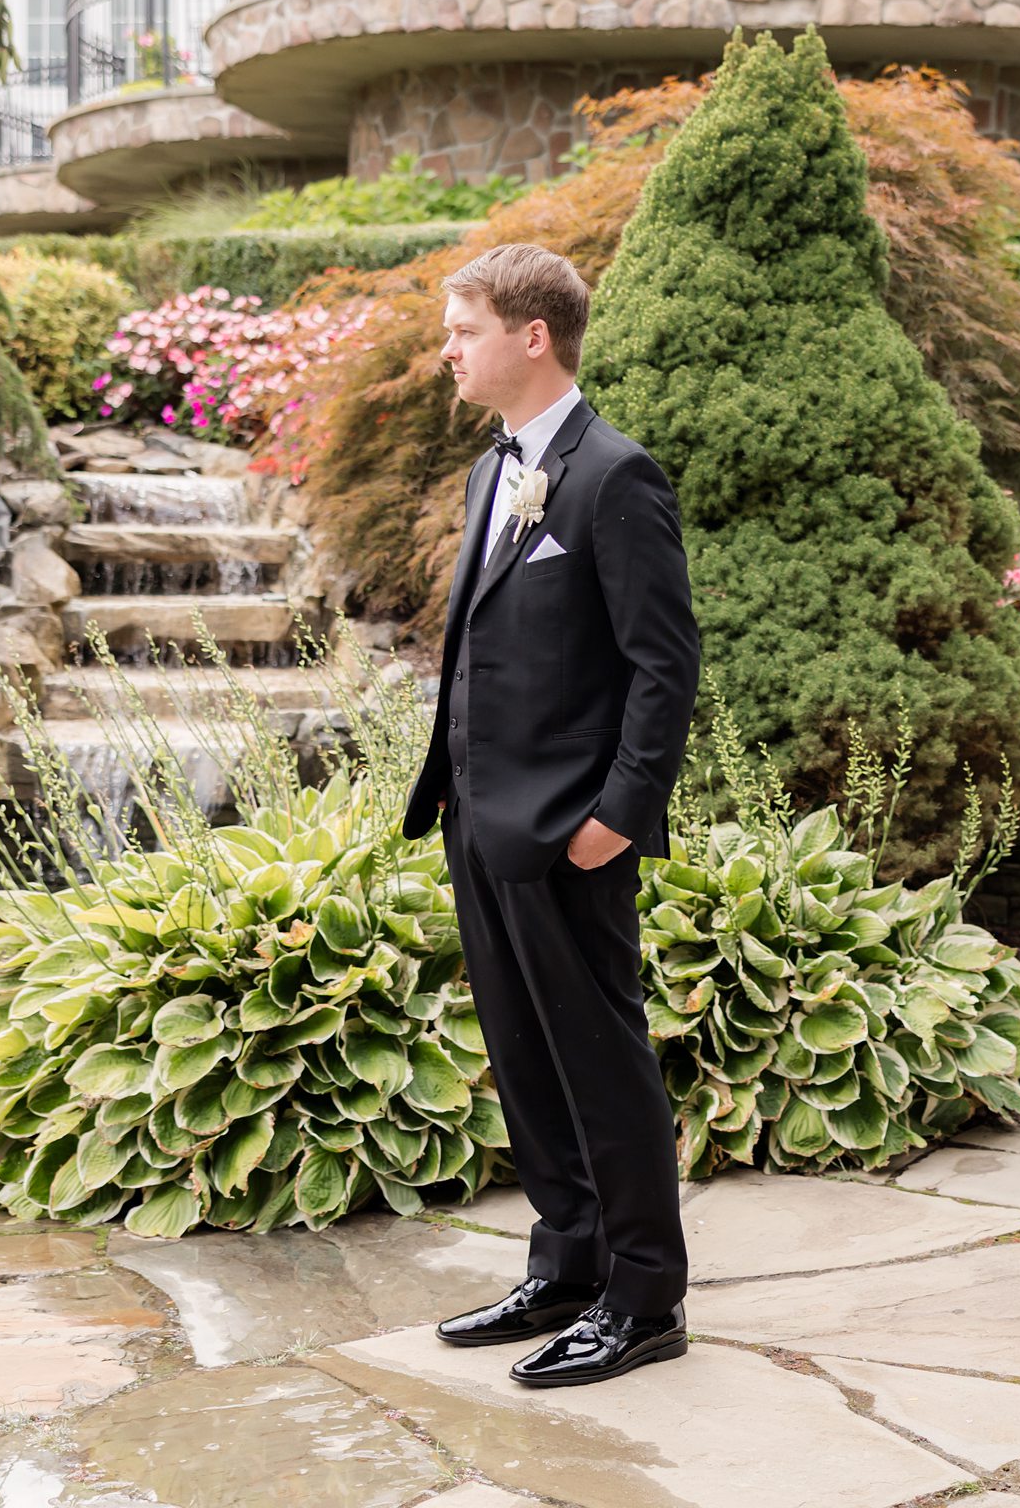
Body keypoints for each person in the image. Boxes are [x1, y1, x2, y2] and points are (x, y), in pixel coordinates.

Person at [400, 243, 702, 1389]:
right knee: (526, 1059)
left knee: (600, 1060)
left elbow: (662, 668)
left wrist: (615, 818)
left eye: (463, 327)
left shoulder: (613, 475)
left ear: (532, 337)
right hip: (481, 823)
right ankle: (567, 1262)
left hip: (571, 830)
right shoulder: (495, 473)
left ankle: (643, 1295)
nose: (448, 347)